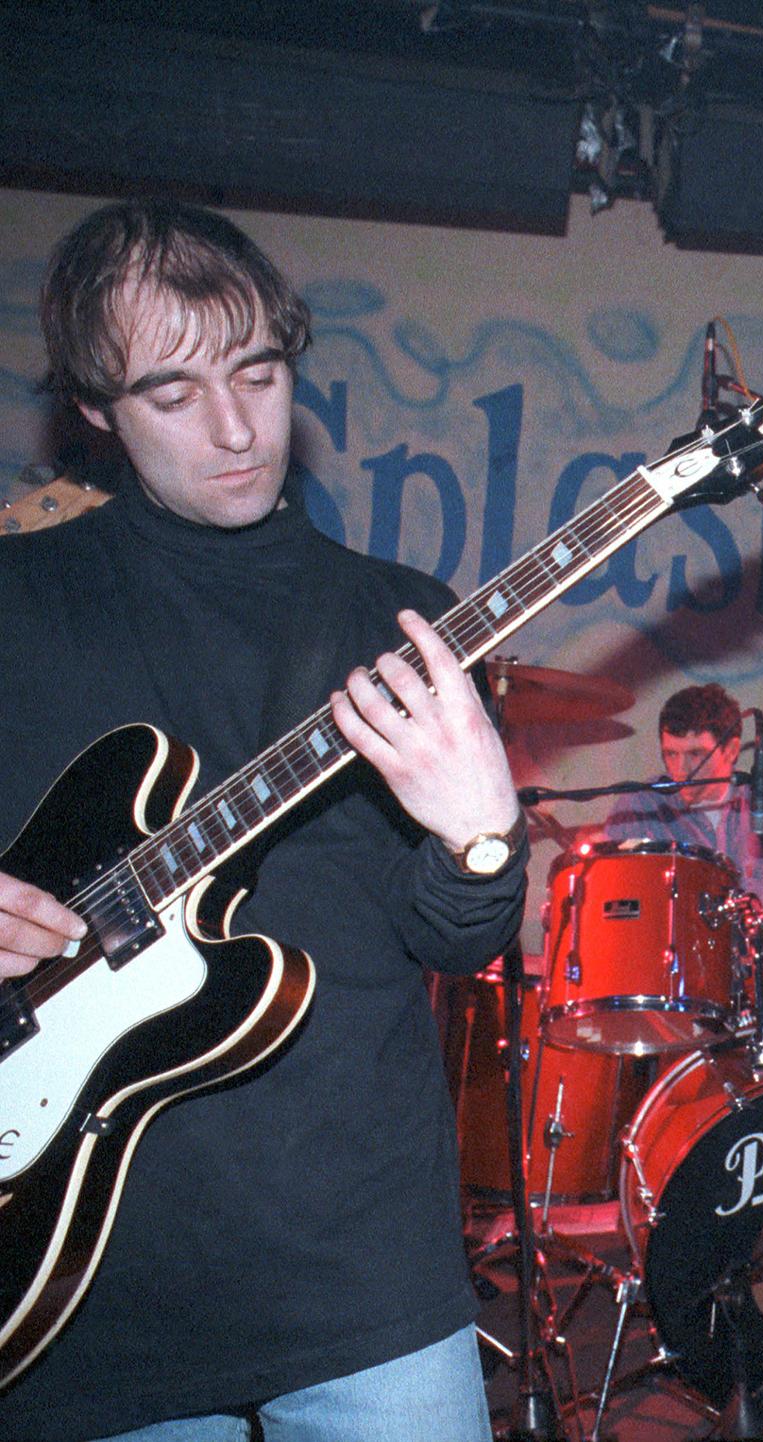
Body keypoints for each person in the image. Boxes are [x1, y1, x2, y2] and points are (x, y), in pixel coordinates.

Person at [0, 200, 527, 1440]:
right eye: (173, 393)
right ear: (95, 410)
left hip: (361, 1277)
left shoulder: (403, 622)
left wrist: (480, 836)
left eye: (259, 372)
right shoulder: (21, 605)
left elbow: (458, 935)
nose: (237, 429)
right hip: (81, 1287)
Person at [601, 681, 763, 901]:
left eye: (695, 754)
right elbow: (615, 905)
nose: (680, 769)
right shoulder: (637, 807)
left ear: (731, 751)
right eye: (671, 754)